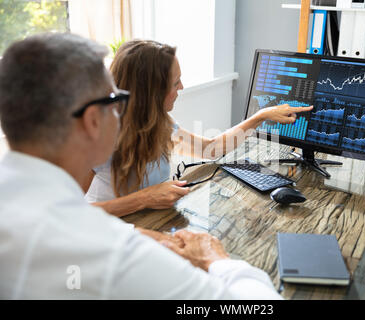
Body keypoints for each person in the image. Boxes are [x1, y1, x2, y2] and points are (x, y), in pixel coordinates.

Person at [0, 33, 282, 299]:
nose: (120, 111)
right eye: (115, 100)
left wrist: (260, 116)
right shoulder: (116, 255)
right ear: (92, 121)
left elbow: (210, 148)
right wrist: (217, 260)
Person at [85, 40, 313, 217]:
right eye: (175, 83)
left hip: (150, 227)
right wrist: (144, 198)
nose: (181, 87)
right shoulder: (96, 135)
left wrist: (260, 116)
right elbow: (66, 213)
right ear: (150, 94)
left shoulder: (159, 122)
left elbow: (211, 149)